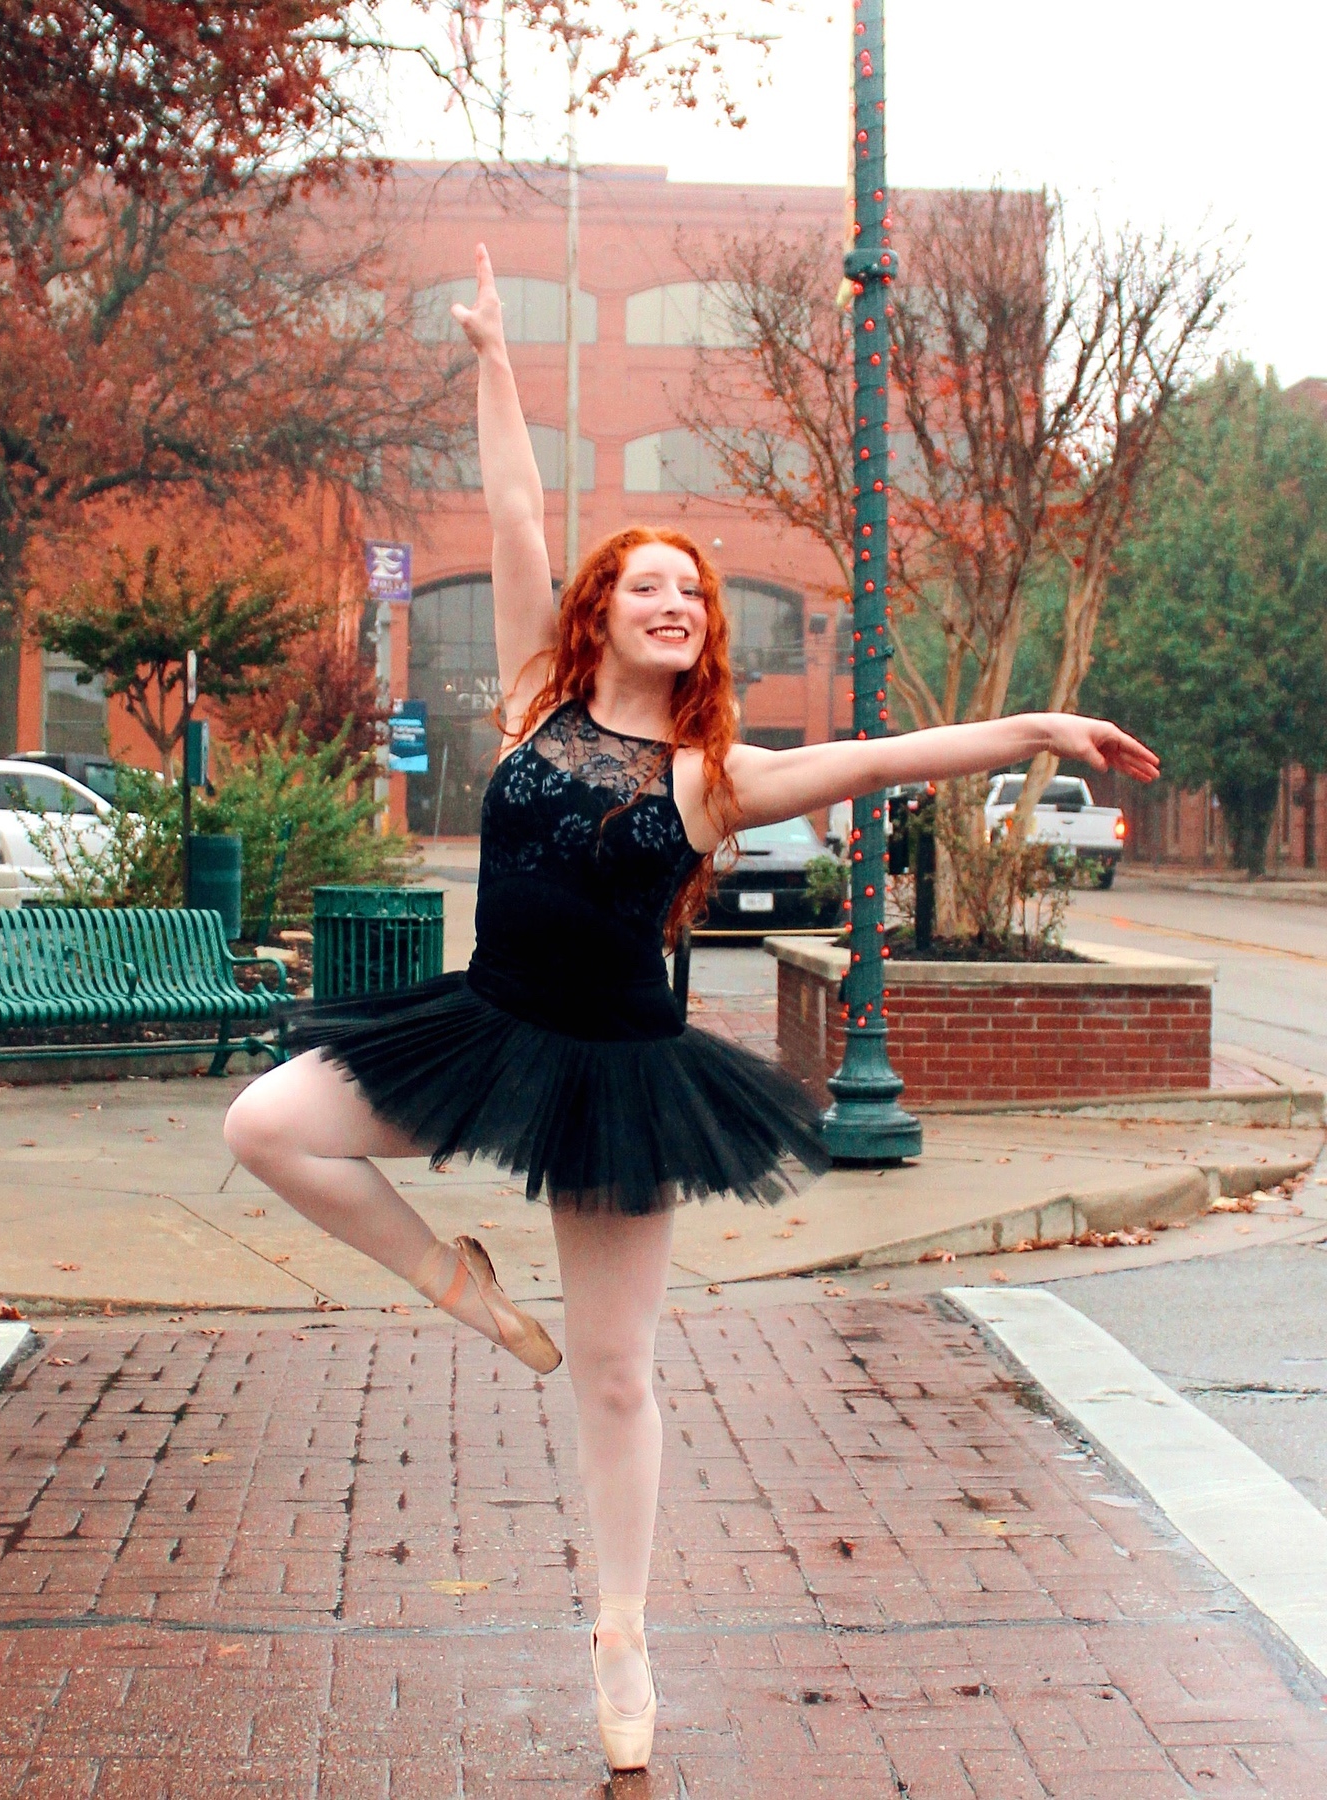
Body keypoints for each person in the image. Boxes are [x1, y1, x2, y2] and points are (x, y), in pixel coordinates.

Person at [223, 243, 1159, 1773]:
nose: (673, 601)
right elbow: (518, 508)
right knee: (267, 1123)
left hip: (619, 1075)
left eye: (693, 594)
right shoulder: (536, 698)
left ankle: (619, 1634)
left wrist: (1040, 724)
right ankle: (454, 1281)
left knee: (613, 1371)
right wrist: (491, 355)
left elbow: (881, 759)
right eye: (648, 582)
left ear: (701, 635)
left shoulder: (714, 779)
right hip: (481, 1028)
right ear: (600, 611)